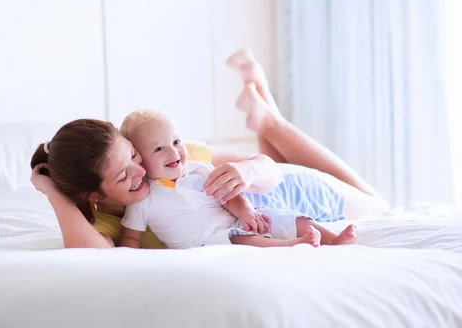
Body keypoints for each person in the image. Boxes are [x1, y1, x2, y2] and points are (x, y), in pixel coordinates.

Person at [30, 49, 389, 249]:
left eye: (134, 155)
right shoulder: (104, 223)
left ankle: (269, 122)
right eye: (124, 175)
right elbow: (94, 256)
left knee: (378, 204)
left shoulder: (176, 158)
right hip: (261, 216)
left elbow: (269, 171)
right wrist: (52, 192)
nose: (141, 170)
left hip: (281, 193)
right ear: (91, 193)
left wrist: (247, 171)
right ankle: (262, 111)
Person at [117, 109, 357, 249]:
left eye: (177, 142)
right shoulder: (144, 198)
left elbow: (229, 196)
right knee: (241, 239)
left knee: (279, 217)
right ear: (138, 158)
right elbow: (130, 236)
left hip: (243, 214)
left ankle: (333, 240)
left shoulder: (197, 169)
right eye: (159, 149)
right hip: (210, 242)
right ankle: (292, 246)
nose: (173, 152)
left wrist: (247, 212)